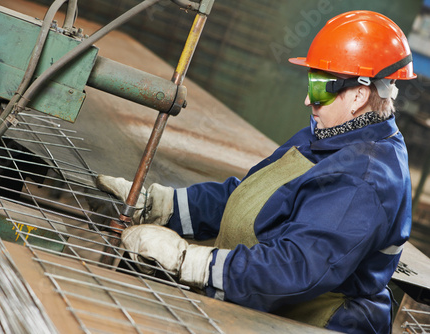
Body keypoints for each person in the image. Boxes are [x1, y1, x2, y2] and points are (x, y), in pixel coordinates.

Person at [96, 10, 415, 334]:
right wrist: (164, 206)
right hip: (263, 304)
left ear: (359, 95)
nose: (308, 100)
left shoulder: (364, 180)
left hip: (311, 323)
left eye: (319, 89)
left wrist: (190, 263)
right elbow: (253, 196)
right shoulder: (329, 136)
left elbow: (296, 268)